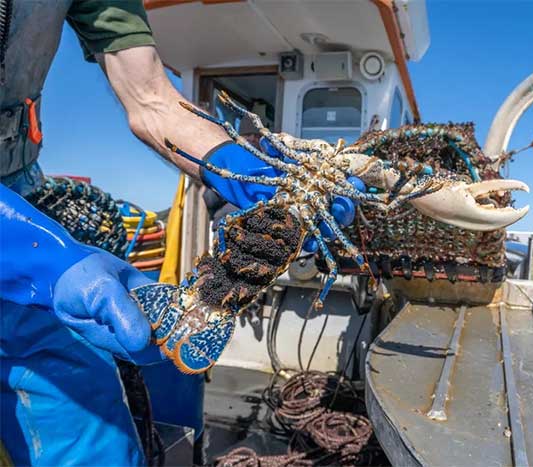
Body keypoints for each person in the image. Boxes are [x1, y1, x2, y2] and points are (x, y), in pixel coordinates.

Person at [0, 2, 356, 465]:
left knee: (86, 406)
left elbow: (152, 98)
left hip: (18, 187)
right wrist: (41, 259)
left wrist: (230, 158)